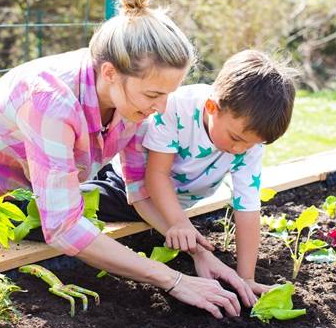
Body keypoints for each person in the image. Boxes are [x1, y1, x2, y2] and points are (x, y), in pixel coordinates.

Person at [0, 0, 251, 319]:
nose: (162, 108)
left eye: (168, 94)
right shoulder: (52, 100)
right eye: (154, 95)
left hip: (21, 202)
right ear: (109, 72)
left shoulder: (131, 102)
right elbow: (62, 227)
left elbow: (138, 190)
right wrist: (173, 280)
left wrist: (198, 253)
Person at [84, 50, 296, 297]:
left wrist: (246, 277)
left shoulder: (248, 141)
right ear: (211, 107)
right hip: (127, 187)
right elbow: (156, 175)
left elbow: (247, 207)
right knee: (77, 204)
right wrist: (179, 223)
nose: (240, 150)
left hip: (172, 203)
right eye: (236, 139)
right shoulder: (177, 107)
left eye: (250, 144)